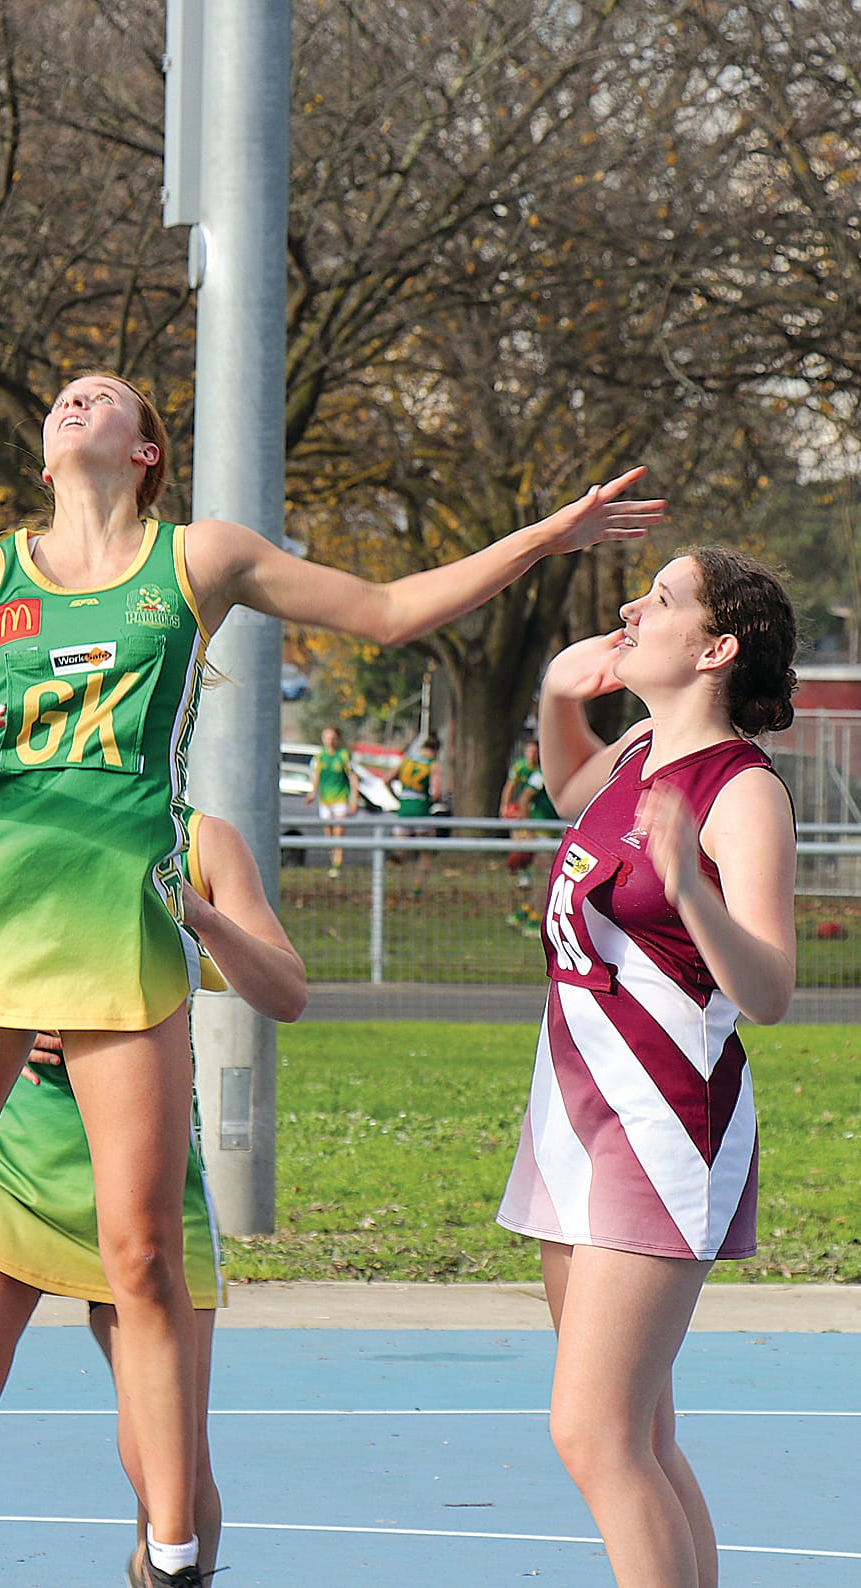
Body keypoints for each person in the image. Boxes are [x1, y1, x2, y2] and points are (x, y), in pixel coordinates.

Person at [0, 366, 662, 1588]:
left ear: (149, 450)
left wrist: (557, 531)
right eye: (61, 396)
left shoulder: (197, 558)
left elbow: (387, 611)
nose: (74, 402)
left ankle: (174, 1555)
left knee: (144, 1257)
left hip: (114, 921)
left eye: (102, 393)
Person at [0, 808, 306, 1587]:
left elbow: (286, 992)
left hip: (146, 1186)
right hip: (19, 1164)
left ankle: (174, 1569)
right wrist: (26, 1013)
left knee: (166, 1466)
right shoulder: (4, 823)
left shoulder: (203, 839)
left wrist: (199, 913)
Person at [496, 547, 797, 1588]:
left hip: (663, 1124)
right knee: (642, 1435)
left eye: (660, 599)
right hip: (574, 1113)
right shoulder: (634, 749)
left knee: (595, 1432)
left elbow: (768, 988)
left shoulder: (740, 792)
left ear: (715, 649)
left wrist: (690, 886)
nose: (631, 606)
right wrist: (550, 695)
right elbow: (569, 787)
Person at [500, 738, 557, 926]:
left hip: (553, 830)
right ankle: (533, 919)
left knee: (549, 877)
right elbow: (524, 798)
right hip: (541, 831)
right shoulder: (539, 774)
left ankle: (524, 912)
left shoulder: (553, 772)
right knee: (549, 876)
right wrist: (528, 828)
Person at [388, 734, 444, 891]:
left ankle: (391, 882)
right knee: (426, 851)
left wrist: (398, 798)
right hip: (421, 810)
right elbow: (437, 793)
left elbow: (386, 779)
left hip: (404, 809)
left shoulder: (406, 761)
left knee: (401, 851)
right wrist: (430, 802)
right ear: (437, 750)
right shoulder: (433, 765)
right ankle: (417, 888)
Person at [306, 723, 353, 875]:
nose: (329, 741)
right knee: (329, 834)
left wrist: (353, 799)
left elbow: (353, 777)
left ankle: (337, 865)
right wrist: (312, 793)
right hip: (325, 800)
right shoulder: (320, 756)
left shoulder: (343, 755)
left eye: (332, 738)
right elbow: (316, 776)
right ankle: (333, 862)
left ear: (338, 739)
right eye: (326, 737)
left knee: (338, 833)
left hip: (340, 799)